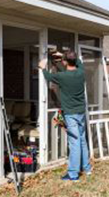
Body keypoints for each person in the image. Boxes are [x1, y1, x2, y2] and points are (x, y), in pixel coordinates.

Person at [38, 50, 91, 181]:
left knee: (75, 143)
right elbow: (78, 62)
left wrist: (42, 67)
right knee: (82, 140)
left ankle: (73, 174)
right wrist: (63, 55)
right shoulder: (81, 72)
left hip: (71, 114)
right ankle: (87, 168)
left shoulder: (62, 76)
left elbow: (48, 77)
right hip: (80, 112)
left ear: (64, 62)